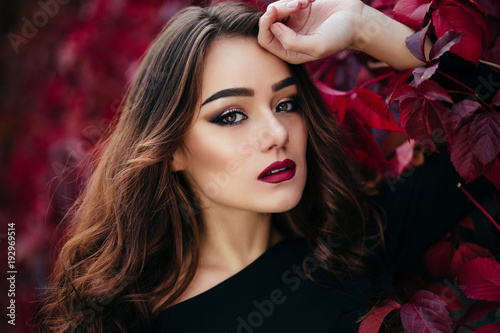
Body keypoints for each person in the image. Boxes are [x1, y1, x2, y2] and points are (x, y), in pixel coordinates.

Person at [36, 0, 491, 332]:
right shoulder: (123, 323)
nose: (276, 133)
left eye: (286, 103)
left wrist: (363, 26)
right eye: (231, 115)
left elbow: (487, 124)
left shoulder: (356, 240)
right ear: (170, 148)